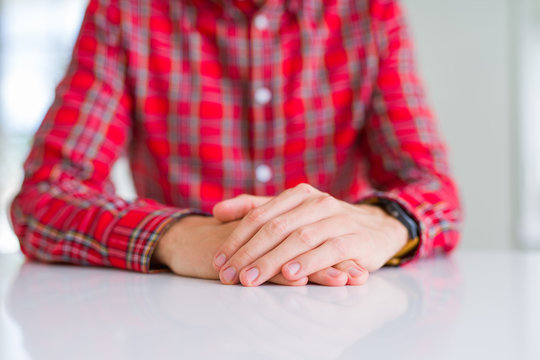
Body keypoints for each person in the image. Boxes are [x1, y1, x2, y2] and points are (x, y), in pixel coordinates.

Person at [10, 0, 461, 287]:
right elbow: (44, 196)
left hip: (333, 298)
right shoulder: (125, 12)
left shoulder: (370, 13)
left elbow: (432, 188)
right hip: (179, 305)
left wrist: (380, 224)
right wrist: (178, 236)